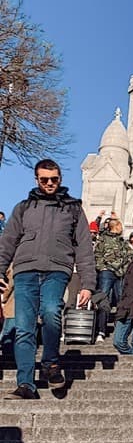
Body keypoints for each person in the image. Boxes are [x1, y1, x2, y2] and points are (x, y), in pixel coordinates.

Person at [0, 159, 96, 399]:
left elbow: (84, 246)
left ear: (60, 178)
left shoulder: (73, 208)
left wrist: (88, 284)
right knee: (24, 328)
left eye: (54, 179)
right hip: (25, 271)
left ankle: (50, 363)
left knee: (52, 312)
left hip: (57, 269)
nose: (50, 183)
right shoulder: (23, 207)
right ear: (37, 180)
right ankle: (25, 384)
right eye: (44, 179)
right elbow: (8, 241)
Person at [93, 218, 133, 341]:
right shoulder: (103, 239)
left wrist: (125, 267)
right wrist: (102, 268)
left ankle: (120, 328)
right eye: (120, 225)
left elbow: (129, 255)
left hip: (120, 273)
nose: (122, 228)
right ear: (115, 226)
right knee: (103, 299)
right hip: (107, 272)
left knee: (121, 299)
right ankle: (101, 330)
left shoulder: (122, 241)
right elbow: (97, 255)